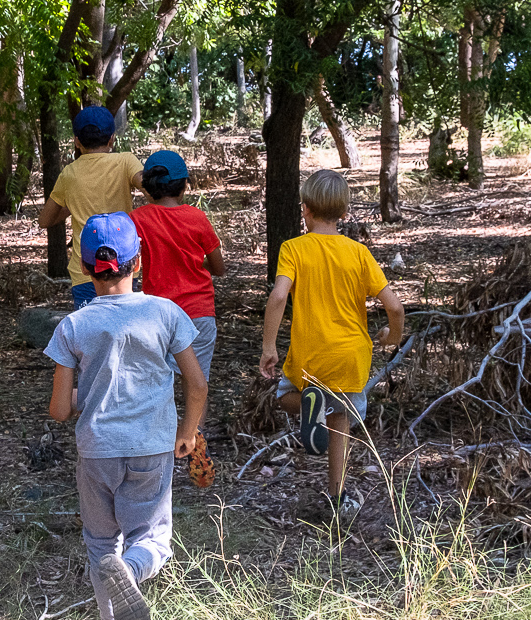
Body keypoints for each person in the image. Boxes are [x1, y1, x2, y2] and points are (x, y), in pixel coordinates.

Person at [45, 212, 207, 620]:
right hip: (152, 446)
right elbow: (196, 385)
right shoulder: (165, 313)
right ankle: (132, 573)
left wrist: (89, 393)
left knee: (100, 542)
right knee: (152, 540)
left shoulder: (73, 327)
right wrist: (188, 433)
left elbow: (59, 409)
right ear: (139, 260)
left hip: (96, 449)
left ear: (84, 265)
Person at [259, 169, 405, 519]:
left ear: (304, 209)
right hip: (351, 355)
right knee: (342, 420)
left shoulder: (294, 249)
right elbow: (395, 306)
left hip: (311, 353)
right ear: (344, 213)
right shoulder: (358, 253)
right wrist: (393, 336)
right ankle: (338, 499)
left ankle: (314, 407)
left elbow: (279, 297)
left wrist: (268, 346)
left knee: (286, 397)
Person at [130, 149, 227, 488]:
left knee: (159, 384)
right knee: (196, 382)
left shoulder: (136, 219)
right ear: (185, 185)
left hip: (155, 316)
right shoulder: (198, 218)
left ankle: (158, 453)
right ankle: (195, 444)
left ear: (149, 186)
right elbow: (219, 268)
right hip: (198, 313)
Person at [37, 105, 145, 308]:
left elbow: (45, 220)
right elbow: (149, 187)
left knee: (90, 334)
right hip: (124, 264)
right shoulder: (125, 162)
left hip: (86, 270)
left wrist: (73, 204)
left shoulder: (69, 173)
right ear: (112, 138)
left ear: (77, 141)